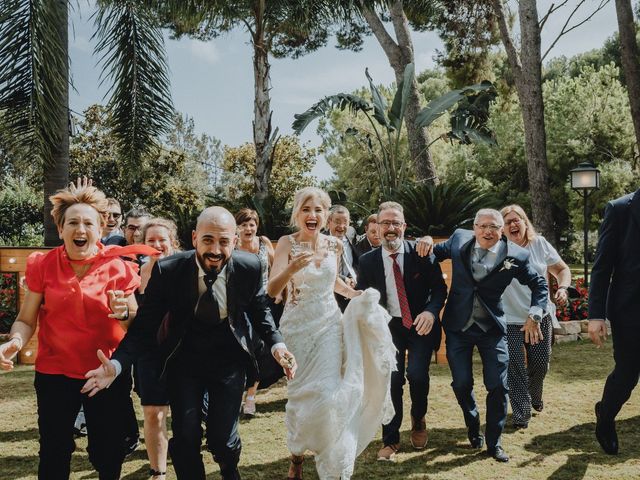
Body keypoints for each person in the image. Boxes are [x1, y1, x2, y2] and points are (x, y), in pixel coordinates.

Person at [83, 206, 296, 480]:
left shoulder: (249, 266)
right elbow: (145, 326)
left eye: (223, 242)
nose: (215, 250)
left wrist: (278, 345)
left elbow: (261, 312)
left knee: (222, 440)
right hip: (183, 361)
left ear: (233, 241)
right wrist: (117, 364)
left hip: (229, 360)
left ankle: (230, 470)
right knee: (185, 436)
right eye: (208, 240)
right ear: (195, 237)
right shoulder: (168, 270)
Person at [0, 182, 156, 479]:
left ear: (100, 230)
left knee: (107, 452)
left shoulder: (118, 267)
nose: (80, 229)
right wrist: (15, 342)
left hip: (105, 374)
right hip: (54, 373)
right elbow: (25, 319)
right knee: (54, 452)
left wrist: (124, 313)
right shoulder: (43, 264)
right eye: (72, 222)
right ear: (61, 230)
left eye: (88, 223)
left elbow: (135, 326)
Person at [268, 187, 396, 480]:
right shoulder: (287, 244)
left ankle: (330, 454)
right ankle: (297, 454)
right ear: (297, 214)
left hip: (328, 325)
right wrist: (290, 270)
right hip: (297, 329)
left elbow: (333, 282)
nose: (312, 215)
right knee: (301, 397)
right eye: (306, 210)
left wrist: (353, 293)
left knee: (327, 394)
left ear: (326, 215)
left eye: (318, 210)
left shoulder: (334, 245)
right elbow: (272, 290)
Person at [416, 208, 548, 462]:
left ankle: (494, 442)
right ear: (474, 227)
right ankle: (472, 423)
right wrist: (425, 241)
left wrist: (535, 313)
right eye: (483, 226)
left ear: (502, 230)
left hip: (492, 330)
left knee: (498, 386)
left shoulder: (516, 255)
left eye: (494, 227)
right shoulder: (458, 239)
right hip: (458, 327)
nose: (488, 231)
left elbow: (539, 284)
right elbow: (431, 253)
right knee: (462, 384)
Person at [356, 202, 447, 461]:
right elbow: (365, 297)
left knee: (417, 375)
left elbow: (439, 290)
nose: (391, 228)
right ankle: (391, 439)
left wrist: (430, 311)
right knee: (392, 381)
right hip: (388, 329)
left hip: (420, 323)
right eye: (386, 223)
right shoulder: (367, 261)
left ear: (404, 227)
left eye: (396, 223)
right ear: (377, 227)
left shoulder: (421, 253)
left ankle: (418, 418)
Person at [500, 205, 571, 429]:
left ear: (525, 222)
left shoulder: (538, 244)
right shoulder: (497, 249)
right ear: (501, 227)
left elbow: (562, 270)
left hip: (539, 315)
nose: (513, 224)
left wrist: (563, 288)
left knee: (540, 364)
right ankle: (521, 413)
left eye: (517, 220)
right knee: (514, 365)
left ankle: (535, 394)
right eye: (507, 221)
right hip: (509, 318)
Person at [588, 188, 640, 455]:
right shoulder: (620, 208)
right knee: (628, 372)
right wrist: (596, 315)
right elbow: (601, 267)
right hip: (630, 309)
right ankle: (605, 418)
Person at [135, 217, 182, 478]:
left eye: (162, 239)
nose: (157, 244)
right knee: (153, 412)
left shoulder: (187, 266)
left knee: (187, 414)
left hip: (184, 348)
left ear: (172, 242)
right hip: (151, 349)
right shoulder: (141, 272)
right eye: (150, 240)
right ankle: (158, 472)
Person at [234, 208, 277, 416]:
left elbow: (277, 267)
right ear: (237, 228)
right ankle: (238, 393)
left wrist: (282, 293)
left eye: (251, 224)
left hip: (265, 302)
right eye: (243, 225)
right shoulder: (232, 246)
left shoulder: (264, 243)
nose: (248, 228)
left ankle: (250, 397)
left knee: (262, 351)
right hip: (241, 305)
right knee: (245, 350)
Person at [326, 205, 359, 312]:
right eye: (337, 221)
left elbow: (355, 260)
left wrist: (353, 277)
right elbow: (323, 268)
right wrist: (345, 279)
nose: (341, 226)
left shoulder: (351, 234)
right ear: (329, 222)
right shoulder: (321, 241)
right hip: (330, 293)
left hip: (352, 291)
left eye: (345, 222)